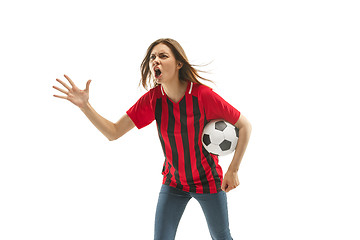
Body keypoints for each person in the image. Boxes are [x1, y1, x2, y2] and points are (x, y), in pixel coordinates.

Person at [53, 38, 252, 240]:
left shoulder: (202, 96)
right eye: (152, 57)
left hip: (208, 181)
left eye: (163, 56)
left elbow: (245, 126)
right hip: (174, 183)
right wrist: (85, 106)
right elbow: (113, 132)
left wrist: (233, 170)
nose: (155, 60)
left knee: (222, 237)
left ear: (179, 64)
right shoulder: (153, 99)